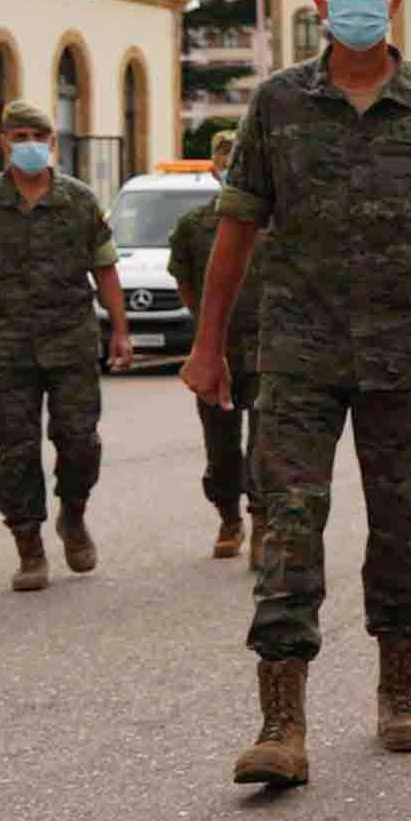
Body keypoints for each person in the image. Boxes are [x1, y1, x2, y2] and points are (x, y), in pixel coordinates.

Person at [185, 0, 411, 791]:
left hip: (402, 351)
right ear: (318, 4)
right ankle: (280, 722)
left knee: (400, 524)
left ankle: (398, 694)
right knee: (288, 525)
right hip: (297, 351)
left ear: (392, 3)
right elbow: (236, 229)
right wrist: (208, 346)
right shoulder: (280, 103)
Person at [0, 100, 134, 591]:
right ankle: (28, 546)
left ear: (51, 143)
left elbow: (105, 269)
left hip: (71, 343)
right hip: (8, 349)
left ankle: (73, 515)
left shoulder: (79, 200)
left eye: (37, 136)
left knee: (79, 442)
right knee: (16, 450)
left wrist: (120, 331)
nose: (28, 144)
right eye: (18, 135)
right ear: (4, 142)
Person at [166, 133, 262, 564]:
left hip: (269, 350)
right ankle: (229, 516)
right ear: (214, 168)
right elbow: (186, 281)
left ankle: (264, 523)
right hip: (218, 353)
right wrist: (206, 330)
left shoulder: (274, 222)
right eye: (227, 159)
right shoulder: (193, 226)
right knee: (221, 448)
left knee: (269, 446)